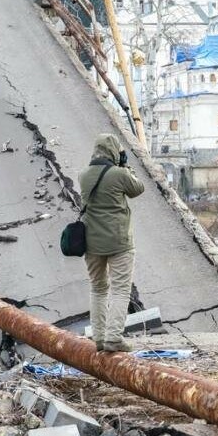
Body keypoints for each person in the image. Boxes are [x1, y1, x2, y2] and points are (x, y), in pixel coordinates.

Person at [79, 133, 144, 352]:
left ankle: (98, 338)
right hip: (118, 242)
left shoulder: (84, 175)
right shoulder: (118, 174)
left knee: (97, 289)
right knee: (120, 290)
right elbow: (138, 188)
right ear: (114, 151)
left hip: (91, 243)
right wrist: (126, 165)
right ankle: (114, 337)